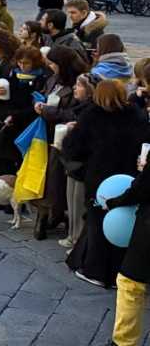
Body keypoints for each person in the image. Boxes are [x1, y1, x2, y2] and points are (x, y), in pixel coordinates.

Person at [64, 80, 150, 288]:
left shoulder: (93, 115)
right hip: (129, 175)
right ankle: (120, 270)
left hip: (100, 176)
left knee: (98, 222)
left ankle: (97, 271)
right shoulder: (137, 114)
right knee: (123, 220)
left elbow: (74, 147)